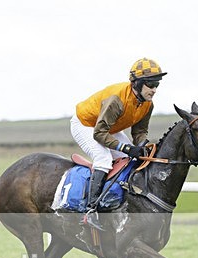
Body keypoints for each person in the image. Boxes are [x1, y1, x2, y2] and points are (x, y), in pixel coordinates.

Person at [71, 57, 166, 228]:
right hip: (86, 124)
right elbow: (99, 133)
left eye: (157, 84)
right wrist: (126, 147)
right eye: (151, 84)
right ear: (137, 83)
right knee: (104, 159)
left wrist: (143, 146)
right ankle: (90, 210)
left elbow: (139, 132)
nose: (154, 89)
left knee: (131, 159)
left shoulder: (147, 104)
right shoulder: (117, 99)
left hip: (109, 127)